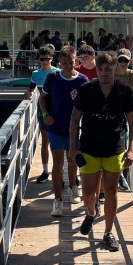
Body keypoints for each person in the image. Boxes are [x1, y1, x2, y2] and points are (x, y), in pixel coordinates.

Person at [69, 52, 133, 252]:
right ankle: (91, 213)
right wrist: (73, 148)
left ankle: (108, 233)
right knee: (89, 193)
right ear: (96, 70)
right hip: (89, 148)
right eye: (100, 69)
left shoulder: (124, 92)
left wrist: (131, 149)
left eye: (108, 69)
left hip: (114, 149)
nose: (104, 73)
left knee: (111, 191)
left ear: (115, 69)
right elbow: (74, 120)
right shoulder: (87, 90)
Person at [39, 46, 89, 217]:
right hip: (55, 128)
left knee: (73, 161)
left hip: (75, 130)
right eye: (65, 63)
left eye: (71, 62)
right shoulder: (53, 78)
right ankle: (57, 200)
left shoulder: (82, 80)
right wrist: (45, 114)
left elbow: (89, 105)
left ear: (76, 60)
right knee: (58, 164)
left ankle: (73, 187)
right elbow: (42, 98)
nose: (69, 65)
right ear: (60, 62)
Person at [24, 49, 60, 185]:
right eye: (42, 59)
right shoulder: (35, 74)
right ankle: (45, 171)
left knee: (58, 141)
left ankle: (59, 171)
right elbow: (31, 89)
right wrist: (27, 94)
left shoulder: (57, 72)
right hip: (42, 110)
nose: (45, 61)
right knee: (45, 139)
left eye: (48, 59)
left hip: (57, 110)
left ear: (52, 58)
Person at [113, 49, 133, 193]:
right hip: (112, 113)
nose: (123, 63)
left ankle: (121, 175)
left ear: (130, 62)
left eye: (126, 61)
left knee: (126, 141)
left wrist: (130, 112)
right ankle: (116, 177)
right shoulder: (112, 74)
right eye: (120, 60)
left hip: (125, 113)